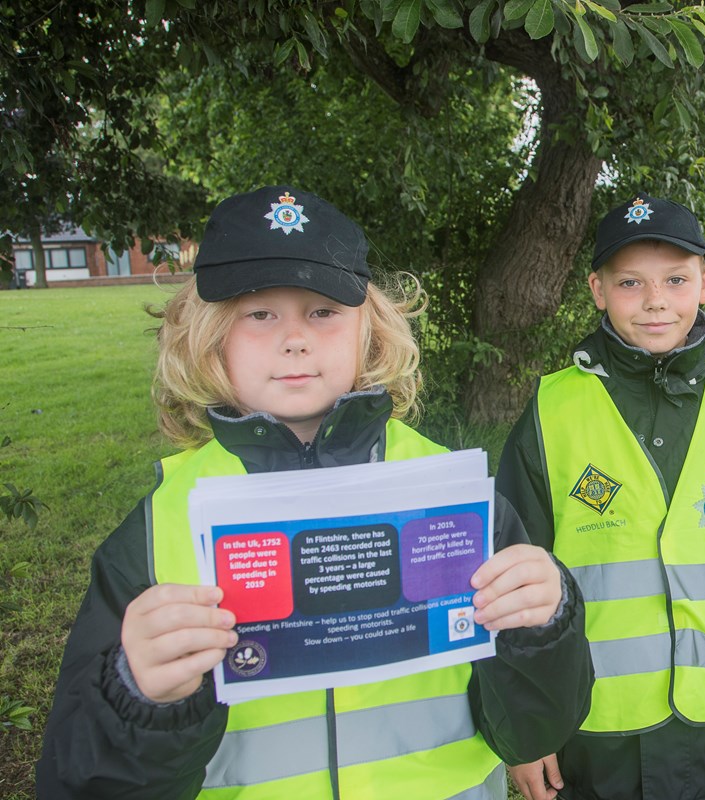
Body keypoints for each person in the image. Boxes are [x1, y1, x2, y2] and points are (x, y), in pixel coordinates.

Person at [37, 186, 594, 799]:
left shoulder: (453, 498)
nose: (295, 339)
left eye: (323, 311)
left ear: (371, 329)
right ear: (210, 335)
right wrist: (137, 695)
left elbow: (534, 727)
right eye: (260, 314)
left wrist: (544, 628)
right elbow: (81, 781)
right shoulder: (159, 524)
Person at [497, 193, 705, 800]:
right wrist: (526, 728)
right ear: (597, 289)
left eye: (675, 279)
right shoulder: (550, 412)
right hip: (592, 729)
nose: (655, 301)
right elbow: (508, 587)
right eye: (630, 283)